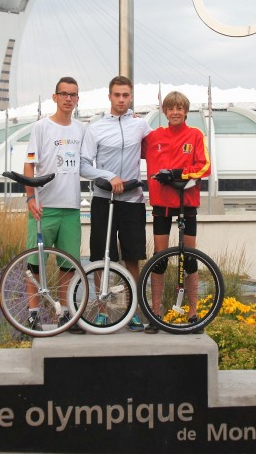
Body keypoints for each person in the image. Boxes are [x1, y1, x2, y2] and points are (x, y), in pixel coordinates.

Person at [80, 76, 151, 331]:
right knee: (102, 256)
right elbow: (84, 165)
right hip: (103, 199)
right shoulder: (95, 128)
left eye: (126, 95)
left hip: (132, 201)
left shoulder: (140, 125)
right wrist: (110, 177)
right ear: (109, 97)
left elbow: (157, 149)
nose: (121, 99)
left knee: (133, 258)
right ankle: (102, 309)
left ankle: (131, 310)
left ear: (131, 97)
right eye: (117, 95)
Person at [142, 91, 211, 333]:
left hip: (186, 202)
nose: (175, 112)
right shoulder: (153, 137)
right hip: (161, 203)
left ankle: (193, 314)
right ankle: (155, 313)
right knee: (159, 260)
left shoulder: (195, 135)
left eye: (180, 108)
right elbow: (128, 151)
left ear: (186, 111)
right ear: (164, 111)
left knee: (190, 258)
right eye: (171, 109)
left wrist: (177, 173)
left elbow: (205, 166)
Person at [23, 76, 85, 334]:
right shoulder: (41, 128)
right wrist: (29, 198)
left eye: (73, 94)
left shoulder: (82, 129)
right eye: (64, 94)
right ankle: (33, 314)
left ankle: (66, 314)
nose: (68, 99)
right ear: (55, 97)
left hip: (70, 207)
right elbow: (29, 164)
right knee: (35, 263)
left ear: (77, 99)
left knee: (68, 264)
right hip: (44, 206)